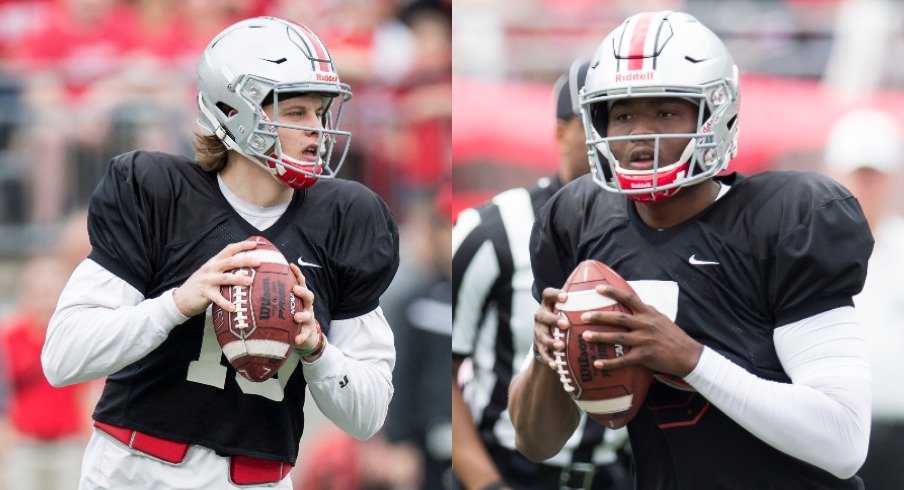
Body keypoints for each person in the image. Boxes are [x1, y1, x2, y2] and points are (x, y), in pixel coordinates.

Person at [508, 11, 873, 489]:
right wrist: (547, 355)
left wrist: (691, 360)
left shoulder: (784, 220)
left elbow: (844, 443)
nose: (640, 133)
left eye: (664, 112)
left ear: (713, 113)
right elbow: (537, 443)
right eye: (622, 114)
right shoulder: (579, 222)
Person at [41, 16, 399, 489]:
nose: (316, 130)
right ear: (233, 110)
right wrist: (176, 305)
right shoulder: (159, 194)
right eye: (295, 113)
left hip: (258, 480)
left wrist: (317, 350)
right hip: (134, 471)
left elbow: (368, 415)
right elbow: (63, 358)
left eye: (320, 112)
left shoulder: (344, 220)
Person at [452, 59, 630, 490]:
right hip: (512, 471)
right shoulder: (493, 229)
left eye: (621, 120)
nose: (609, 139)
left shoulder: (650, 228)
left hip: (615, 475)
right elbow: (446, 365)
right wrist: (484, 482)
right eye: (595, 120)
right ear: (560, 131)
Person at [822, 109, 904, 490]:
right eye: (859, 175)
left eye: (876, 176)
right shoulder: (803, 253)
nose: (866, 187)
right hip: (828, 437)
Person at [0, 255, 93, 490]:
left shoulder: (75, 336)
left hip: (69, 444)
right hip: (24, 445)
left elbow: (89, 389)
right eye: (38, 291)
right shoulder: (10, 337)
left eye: (50, 291)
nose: (44, 299)